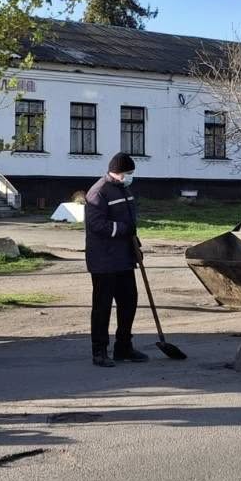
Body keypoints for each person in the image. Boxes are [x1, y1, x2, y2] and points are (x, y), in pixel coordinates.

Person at [85, 153, 147, 368]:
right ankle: (99, 351)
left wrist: (135, 243)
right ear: (117, 172)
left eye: (132, 173)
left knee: (129, 302)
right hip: (104, 260)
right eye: (128, 173)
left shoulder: (124, 188)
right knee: (102, 307)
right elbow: (97, 225)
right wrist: (122, 230)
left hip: (124, 258)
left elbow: (130, 222)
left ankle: (123, 347)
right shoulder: (98, 192)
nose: (130, 177)